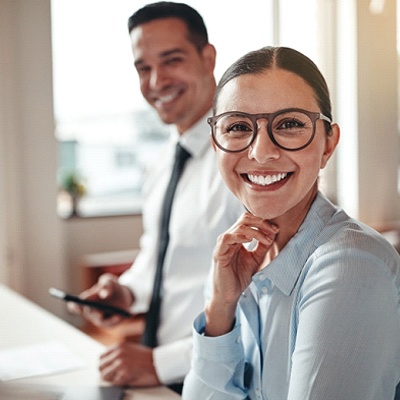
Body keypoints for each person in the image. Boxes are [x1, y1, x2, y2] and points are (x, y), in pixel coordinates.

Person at [182, 46, 400, 399]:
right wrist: (220, 308)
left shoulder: (350, 266)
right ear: (216, 145)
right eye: (238, 127)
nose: (261, 151)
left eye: (289, 124)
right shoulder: (235, 259)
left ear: (328, 144)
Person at [68, 1, 243, 393]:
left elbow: (260, 301)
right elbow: (159, 258)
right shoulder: (161, 163)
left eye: (171, 60)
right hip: (155, 377)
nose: (155, 81)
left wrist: (161, 363)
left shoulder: (244, 163)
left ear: (207, 57)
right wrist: (126, 293)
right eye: (143, 68)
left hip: (215, 378)